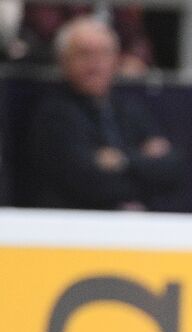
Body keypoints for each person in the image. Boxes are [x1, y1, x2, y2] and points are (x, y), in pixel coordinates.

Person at [24, 16, 182, 210]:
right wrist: (143, 164)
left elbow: (173, 169)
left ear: (117, 60)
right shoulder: (55, 115)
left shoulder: (129, 108)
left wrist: (123, 160)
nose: (96, 64)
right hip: (73, 226)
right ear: (64, 60)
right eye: (84, 54)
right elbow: (86, 181)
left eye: (104, 54)